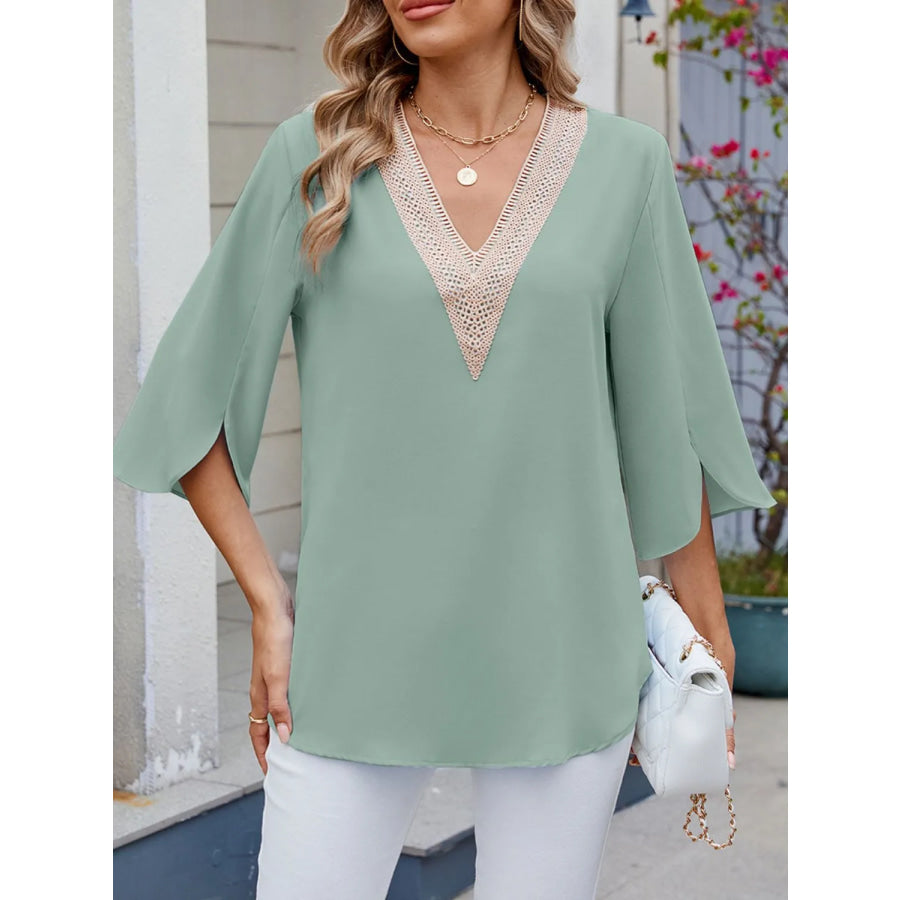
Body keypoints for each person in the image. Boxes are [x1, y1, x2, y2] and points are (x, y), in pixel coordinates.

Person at [113, 1, 776, 897]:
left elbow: (669, 421)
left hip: (566, 653)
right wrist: (268, 602)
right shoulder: (315, 155)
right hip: (351, 658)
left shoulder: (627, 165)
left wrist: (707, 638)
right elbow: (185, 405)